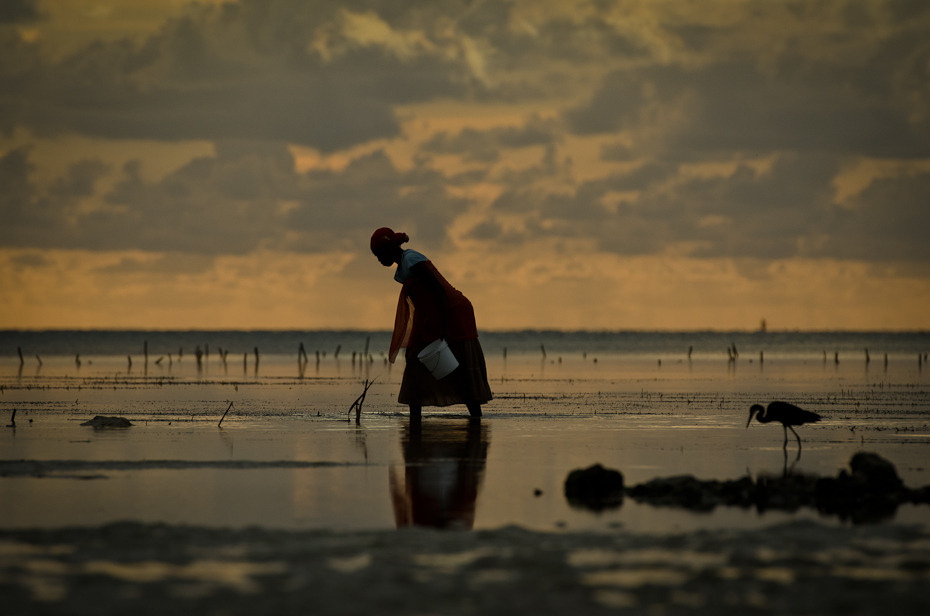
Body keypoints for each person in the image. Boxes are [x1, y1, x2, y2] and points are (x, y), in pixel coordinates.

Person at [370, 227, 492, 419]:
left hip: (453, 313)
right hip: (434, 315)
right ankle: (415, 425)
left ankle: (475, 419)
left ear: (388, 249)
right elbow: (423, 301)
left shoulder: (411, 259)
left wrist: (443, 328)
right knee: (415, 366)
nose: (378, 260)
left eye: (378, 254)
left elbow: (438, 291)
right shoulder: (403, 265)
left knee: (461, 371)